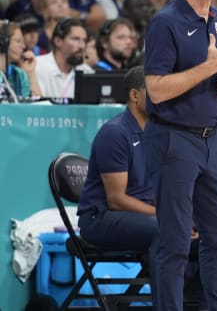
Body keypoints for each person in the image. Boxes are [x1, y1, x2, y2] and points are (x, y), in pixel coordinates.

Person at [142, 0, 217, 311]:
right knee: (176, 241)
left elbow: (215, 73)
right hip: (173, 139)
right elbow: (156, 89)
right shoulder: (166, 22)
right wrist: (210, 69)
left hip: (211, 141)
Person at [76, 66, 159, 305]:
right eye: (154, 90)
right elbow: (116, 200)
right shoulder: (115, 133)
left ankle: (191, 300)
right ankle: (167, 303)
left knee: (197, 227)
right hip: (101, 218)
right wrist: (163, 214)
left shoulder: (156, 134)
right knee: (168, 230)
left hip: (139, 215)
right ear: (135, 96)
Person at [35, 17, 93, 99]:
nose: (82, 46)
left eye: (84, 40)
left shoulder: (87, 72)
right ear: (58, 41)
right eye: (75, 39)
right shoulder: (38, 66)